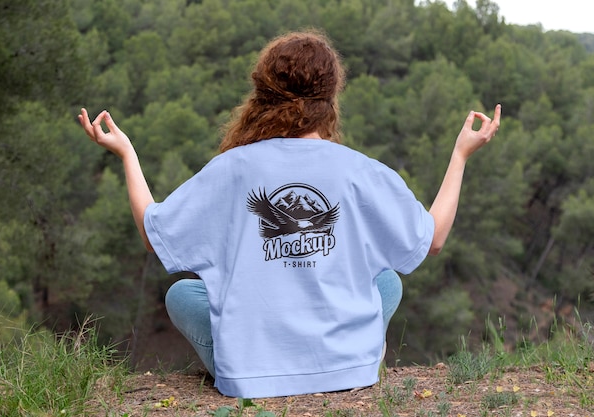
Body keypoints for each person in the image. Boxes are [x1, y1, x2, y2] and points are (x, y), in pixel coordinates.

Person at [78, 30, 501, 399]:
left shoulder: (232, 168)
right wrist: (461, 154)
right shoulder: (360, 170)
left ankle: (255, 361)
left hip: (251, 376)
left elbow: (156, 234)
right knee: (386, 279)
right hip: (348, 367)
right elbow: (434, 238)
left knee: (182, 294)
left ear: (262, 93)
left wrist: (127, 153)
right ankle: (353, 357)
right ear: (330, 96)